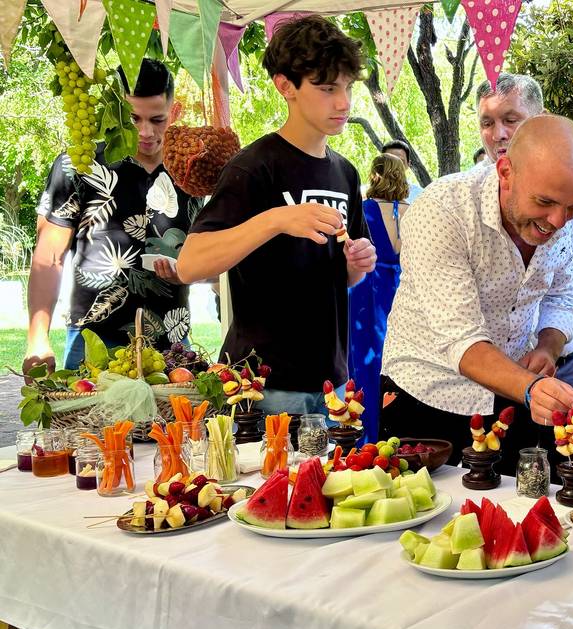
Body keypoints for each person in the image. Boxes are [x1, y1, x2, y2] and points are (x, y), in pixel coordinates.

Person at [177, 16, 376, 416]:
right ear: (286, 86)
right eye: (326, 88)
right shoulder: (253, 167)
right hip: (263, 388)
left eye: (347, 87)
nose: (343, 103)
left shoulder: (345, 172)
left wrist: (358, 264)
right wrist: (277, 219)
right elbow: (189, 264)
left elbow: (345, 276)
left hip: (331, 384)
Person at [380, 115, 573, 472]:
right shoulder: (443, 208)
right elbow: (461, 339)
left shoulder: (566, 213)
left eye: (572, 207)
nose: (558, 221)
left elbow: (565, 296)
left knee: (516, 516)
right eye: (545, 202)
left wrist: (547, 347)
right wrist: (529, 387)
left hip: (515, 395)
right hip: (429, 393)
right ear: (505, 170)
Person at [24, 59, 198, 373]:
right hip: (92, 344)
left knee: (181, 425)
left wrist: (190, 270)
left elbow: (214, 257)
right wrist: (37, 338)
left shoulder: (193, 171)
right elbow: (49, 255)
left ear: (177, 111)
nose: (146, 132)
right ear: (115, 111)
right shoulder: (78, 164)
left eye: (157, 119)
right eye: (133, 118)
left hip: (173, 347)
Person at [474, 73, 573, 396]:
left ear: (542, 120)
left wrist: (550, 345)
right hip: (497, 370)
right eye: (487, 123)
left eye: (511, 119)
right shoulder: (466, 199)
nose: (498, 134)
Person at [349, 154, 408, 441]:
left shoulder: (364, 209)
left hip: (370, 295)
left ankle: (364, 434)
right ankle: (396, 432)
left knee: (366, 363)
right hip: (403, 292)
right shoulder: (415, 211)